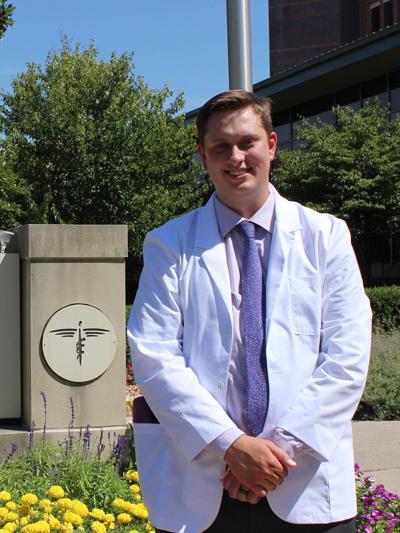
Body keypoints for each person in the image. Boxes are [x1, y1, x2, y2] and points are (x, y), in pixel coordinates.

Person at [127, 90, 371, 533]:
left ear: (271, 145)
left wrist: (272, 454)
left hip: (303, 479)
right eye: (220, 147)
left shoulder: (326, 236)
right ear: (203, 156)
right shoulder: (169, 244)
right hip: (203, 487)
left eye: (247, 142)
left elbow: (346, 358)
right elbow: (153, 355)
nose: (236, 157)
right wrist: (231, 446)